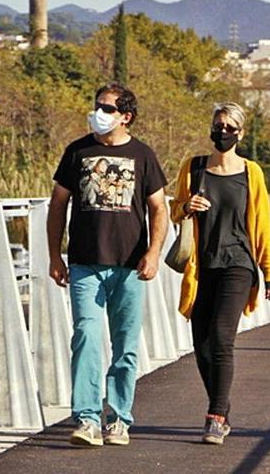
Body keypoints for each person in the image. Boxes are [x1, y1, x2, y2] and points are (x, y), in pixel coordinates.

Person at [47, 83, 168, 447]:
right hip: (85, 262)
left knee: (125, 345)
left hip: (129, 264)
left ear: (125, 116)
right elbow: (57, 205)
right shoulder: (77, 151)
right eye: (97, 105)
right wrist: (55, 255)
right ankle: (86, 419)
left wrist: (153, 253)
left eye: (107, 108)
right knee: (85, 336)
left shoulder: (143, 155)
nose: (98, 112)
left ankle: (119, 419)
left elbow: (159, 208)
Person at [170, 102, 270, 445]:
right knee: (201, 345)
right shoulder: (194, 167)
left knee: (220, 336)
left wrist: (269, 272)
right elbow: (174, 209)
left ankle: (215, 416)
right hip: (202, 266)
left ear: (241, 134)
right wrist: (187, 207)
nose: (223, 132)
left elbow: (262, 222)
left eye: (231, 127)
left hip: (238, 263)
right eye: (219, 125)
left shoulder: (251, 172)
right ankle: (222, 405)